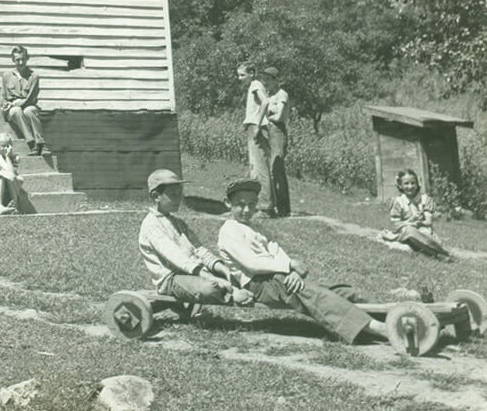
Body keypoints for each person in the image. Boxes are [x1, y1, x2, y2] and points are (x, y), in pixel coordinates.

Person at [219, 178, 388, 343]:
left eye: (252, 204)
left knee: (337, 290)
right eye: (240, 204)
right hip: (258, 284)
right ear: (228, 203)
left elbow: (276, 251)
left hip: (277, 277)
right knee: (311, 293)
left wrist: (291, 271)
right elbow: (252, 264)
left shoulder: (257, 228)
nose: (247, 210)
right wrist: (288, 266)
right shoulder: (229, 230)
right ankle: (376, 328)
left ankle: (387, 315)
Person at [138, 169, 250, 305]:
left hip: (193, 273)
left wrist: (224, 270)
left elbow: (200, 250)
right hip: (172, 279)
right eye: (173, 194)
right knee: (210, 288)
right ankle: (232, 296)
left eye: (180, 193)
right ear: (156, 196)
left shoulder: (178, 222)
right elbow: (178, 259)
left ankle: (240, 289)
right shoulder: (151, 225)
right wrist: (212, 278)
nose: (178, 198)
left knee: (235, 273)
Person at [380, 169, 454, 260]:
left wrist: (419, 223)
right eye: (406, 184)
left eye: (413, 183)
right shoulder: (398, 202)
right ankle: (437, 254)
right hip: (404, 233)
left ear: (417, 184)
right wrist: (411, 221)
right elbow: (395, 225)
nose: (410, 186)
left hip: (423, 230)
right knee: (409, 231)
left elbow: (428, 222)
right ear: (400, 185)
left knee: (424, 233)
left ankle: (439, 250)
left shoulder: (425, 199)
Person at [237, 63, 273, 216]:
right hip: (253, 126)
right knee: (255, 168)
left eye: (242, 75)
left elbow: (265, 102)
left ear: (251, 73)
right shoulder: (252, 85)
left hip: (258, 127)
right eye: (238, 75)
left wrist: (257, 124)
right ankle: (259, 204)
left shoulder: (256, 85)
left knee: (261, 168)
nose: (239, 78)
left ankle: (266, 207)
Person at [0, 45, 49, 156]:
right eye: (18, 60)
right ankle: (32, 143)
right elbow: (3, 96)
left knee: (29, 111)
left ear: (27, 58)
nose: (21, 62)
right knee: (16, 111)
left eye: (23, 59)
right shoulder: (6, 76)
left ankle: (41, 143)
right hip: (13, 108)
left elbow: (31, 98)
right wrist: (6, 105)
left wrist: (19, 103)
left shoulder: (33, 76)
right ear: (13, 60)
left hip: (29, 105)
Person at [260, 67, 291, 217]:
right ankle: (272, 205)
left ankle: (284, 208)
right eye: (264, 79)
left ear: (276, 80)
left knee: (277, 169)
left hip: (278, 131)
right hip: (267, 130)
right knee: (268, 169)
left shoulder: (282, 94)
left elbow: (278, 117)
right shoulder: (268, 94)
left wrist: (266, 116)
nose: (266, 82)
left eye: (269, 79)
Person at [0, 131, 23, 211]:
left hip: (13, 181)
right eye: (3, 146)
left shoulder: (15, 157)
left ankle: (15, 204)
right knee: (1, 176)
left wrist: (7, 157)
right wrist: (3, 174)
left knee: (10, 176)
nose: (6, 148)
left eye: (8, 146)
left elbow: (12, 173)